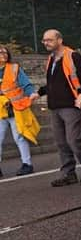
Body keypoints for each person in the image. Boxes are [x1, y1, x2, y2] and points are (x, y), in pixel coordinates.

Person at [34, 29, 81, 186]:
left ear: (59, 40)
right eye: (44, 40)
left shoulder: (73, 56)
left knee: (73, 140)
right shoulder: (51, 59)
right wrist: (39, 92)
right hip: (55, 106)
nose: (45, 43)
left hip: (71, 105)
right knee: (61, 142)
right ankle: (68, 174)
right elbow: (52, 83)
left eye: (49, 40)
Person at [0, 44, 36, 177]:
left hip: (15, 108)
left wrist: (31, 93)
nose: (3, 54)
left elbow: (26, 84)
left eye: (5, 52)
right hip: (0, 110)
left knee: (19, 137)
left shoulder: (14, 68)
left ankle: (27, 164)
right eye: (0, 52)